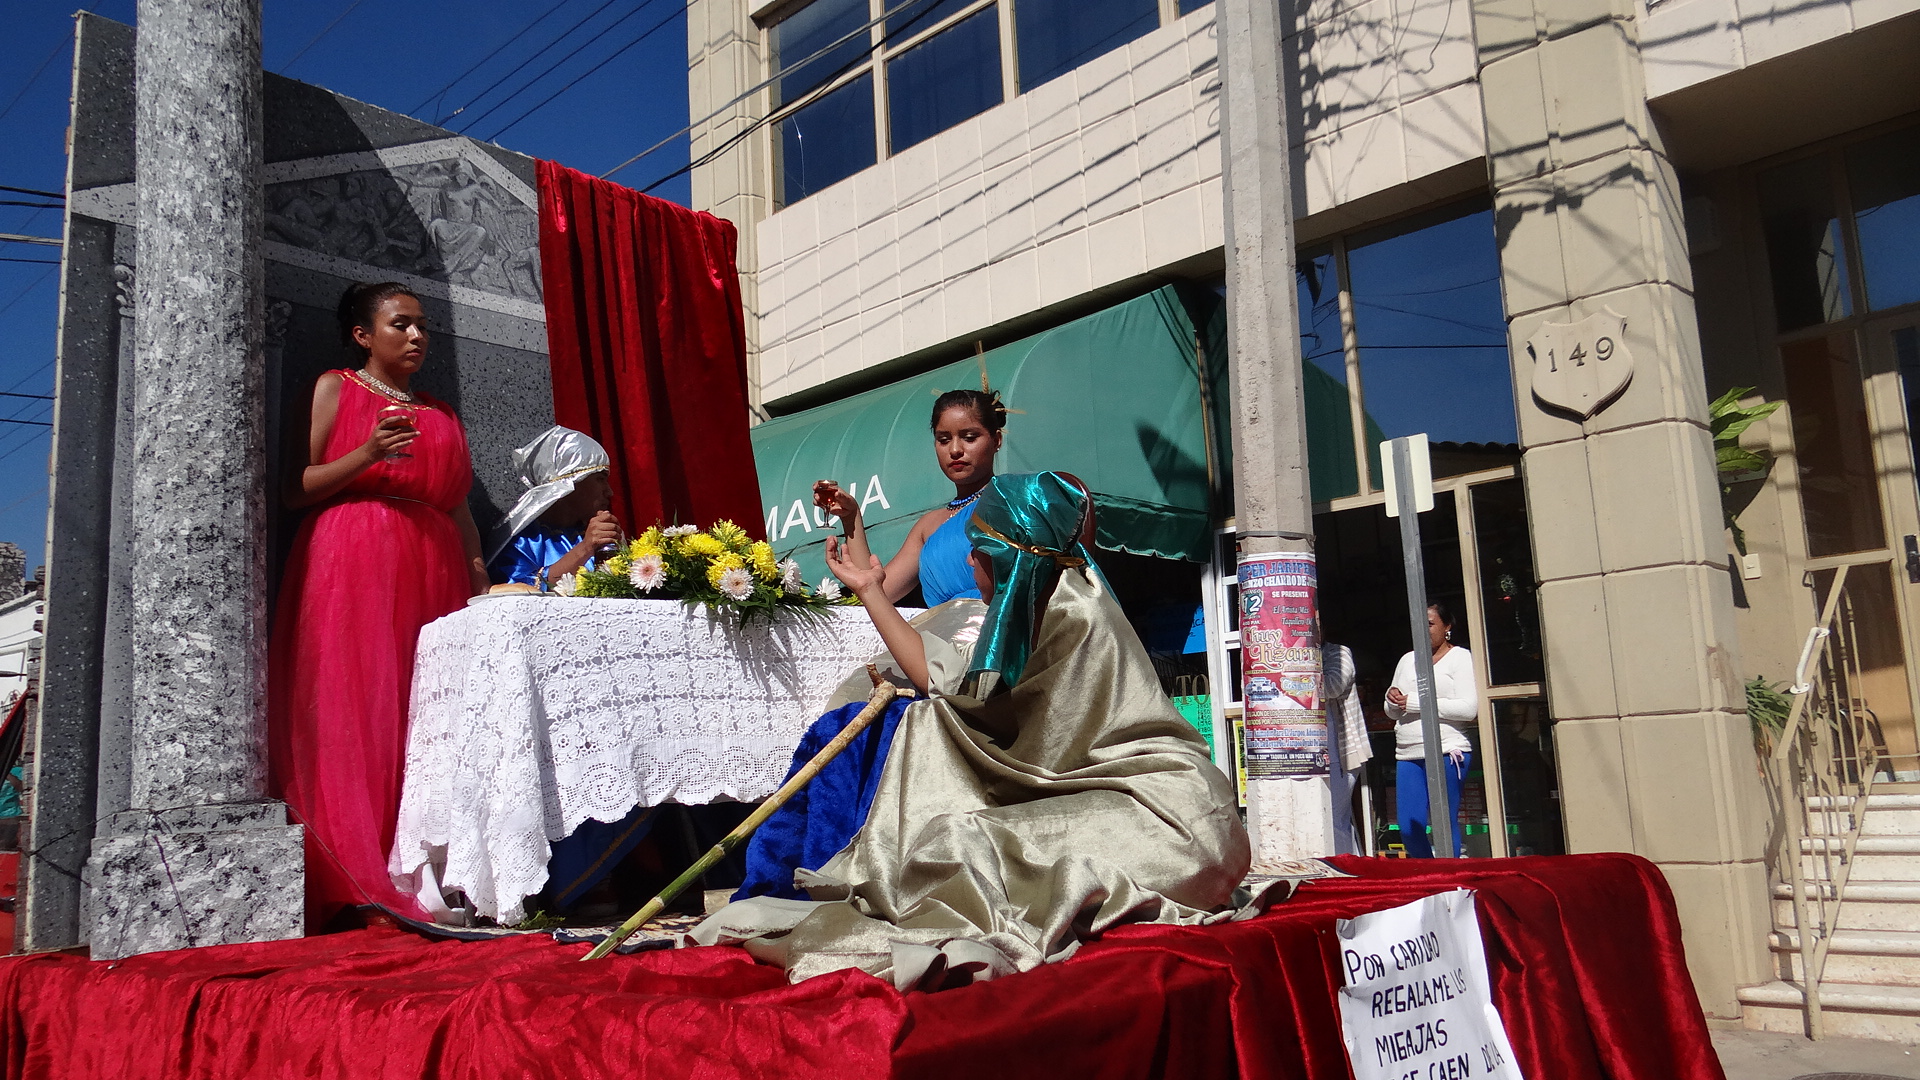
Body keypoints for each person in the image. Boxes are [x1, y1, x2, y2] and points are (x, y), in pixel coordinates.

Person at [700, 472, 1251, 988]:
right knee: (953, 825)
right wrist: (869, 588)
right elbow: (948, 683)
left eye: (978, 550)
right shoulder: (1043, 604)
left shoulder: (1072, 615)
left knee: (958, 843)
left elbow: (975, 708)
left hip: (1172, 821)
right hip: (1145, 805)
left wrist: (925, 696)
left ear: (1009, 558)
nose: (968, 561)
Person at [268, 281, 489, 928]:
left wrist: (478, 578)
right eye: (401, 324)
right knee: (358, 709)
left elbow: (459, 507)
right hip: (354, 560)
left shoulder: (442, 413)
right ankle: (359, 878)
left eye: (423, 325)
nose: (417, 336)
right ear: (363, 335)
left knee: (427, 711)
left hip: (434, 562)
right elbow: (296, 488)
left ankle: (431, 868)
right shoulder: (336, 388)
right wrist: (367, 453)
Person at [812, 387, 1006, 607]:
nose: (954, 450)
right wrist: (851, 516)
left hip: (997, 625)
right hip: (938, 629)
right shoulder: (928, 525)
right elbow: (877, 592)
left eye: (969, 438)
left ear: (996, 440)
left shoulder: (1011, 501)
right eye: (943, 440)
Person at [1384, 603, 1477, 858]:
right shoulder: (1407, 659)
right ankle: (1429, 873)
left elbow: (1469, 709)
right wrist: (1393, 700)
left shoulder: (1460, 658)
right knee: (1409, 827)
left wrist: (1416, 703)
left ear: (1447, 627)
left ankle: (1449, 875)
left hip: (1447, 750)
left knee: (1443, 822)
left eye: (1430, 624)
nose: (1423, 630)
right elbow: (1392, 710)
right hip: (1408, 753)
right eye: (1418, 624)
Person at [486, 426, 622, 590]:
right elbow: (517, 592)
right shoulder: (523, 541)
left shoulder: (593, 531)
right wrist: (585, 548)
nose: (609, 492)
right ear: (571, 483)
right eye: (600, 479)